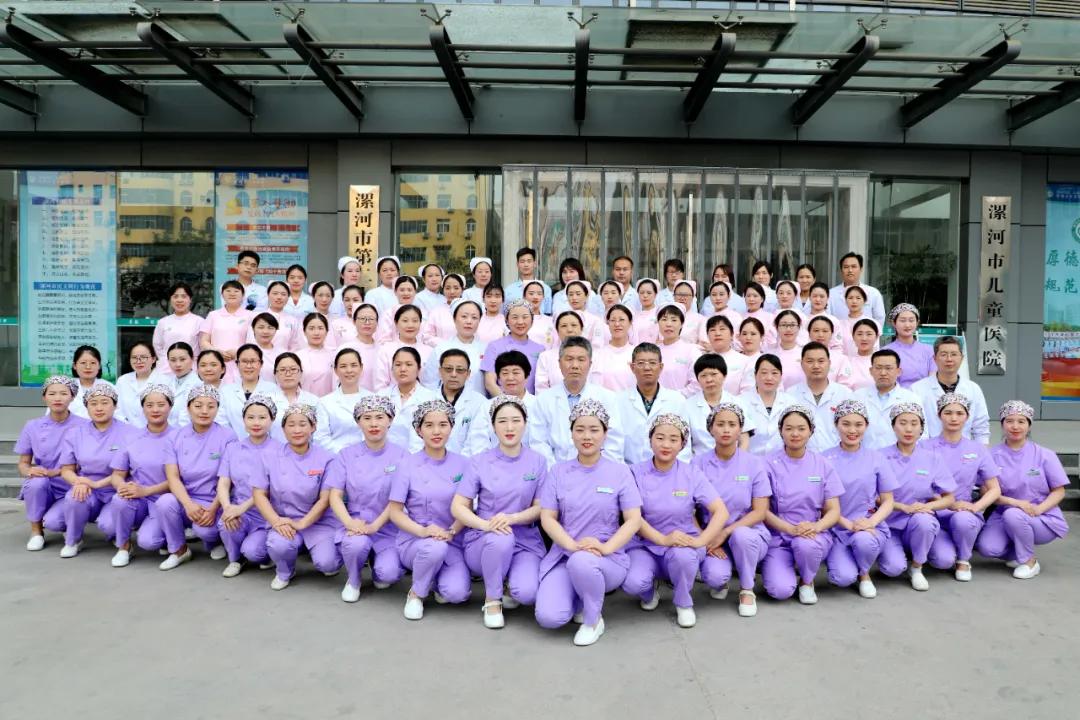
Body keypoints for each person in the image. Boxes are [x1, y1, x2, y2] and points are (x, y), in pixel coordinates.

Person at [534, 399, 642, 646]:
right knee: (549, 617)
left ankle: (593, 621)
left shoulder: (620, 472)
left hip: (607, 559)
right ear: (571, 433)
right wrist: (571, 545)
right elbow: (547, 517)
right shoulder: (558, 472)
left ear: (605, 434)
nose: (587, 436)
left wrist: (605, 547)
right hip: (565, 554)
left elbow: (633, 519)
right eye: (580, 429)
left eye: (594, 430)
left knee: (583, 562)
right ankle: (581, 597)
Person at [623, 414, 728, 629]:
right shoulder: (634, 473)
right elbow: (633, 518)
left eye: (673, 439)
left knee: (682, 557)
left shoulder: (691, 473)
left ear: (682, 444)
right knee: (633, 583)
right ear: (650, 440)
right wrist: (662, 539)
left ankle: (683, 602)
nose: (666, 444)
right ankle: (649, 591)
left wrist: (701, 541)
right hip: (645, 545)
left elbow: (720, 511)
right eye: (660, 437)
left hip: (683, 543)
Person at [453, 395, 547, 629]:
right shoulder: (479, 462)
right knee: (500, 538)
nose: (509, 427)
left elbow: (541, 507)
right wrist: (486, 525)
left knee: (527, 593)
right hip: (485, 539)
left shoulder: (538, 461)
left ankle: (507, 584)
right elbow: (458, 506)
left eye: (516, 420)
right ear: (493, 426)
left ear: (525, 423)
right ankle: (492, 599)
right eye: (502, 421)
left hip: (524, 540)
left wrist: (513, 518)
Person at [389, 400, 472, 619]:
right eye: (429, 425)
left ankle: (431, 577)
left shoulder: (463, 464)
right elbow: (395, 511)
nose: (436, 431)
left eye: (443, 424)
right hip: (416, 540)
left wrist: (451, 531)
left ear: (451, 427)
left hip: (452, 539)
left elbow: (467, 507)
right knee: (434, 549)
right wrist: (423, 531)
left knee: (456, 593)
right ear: (419, 430)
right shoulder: (407, 464)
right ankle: (416, 593)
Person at [138, 384, 234, 570]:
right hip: (185, 498)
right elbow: (173, 477)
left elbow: (228, 479)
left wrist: (213, 509)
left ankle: (214, 542)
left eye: (210, 406)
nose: (204, 411)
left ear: (217, 409)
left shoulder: (227, 436)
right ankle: (179, 549)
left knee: (205, 531)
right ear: (188, 408)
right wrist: (188, 505)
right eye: (198, 406)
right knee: (163, 507)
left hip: (214, 500)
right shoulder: (175, 437)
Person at [326, 395, 408, 603]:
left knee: (387, 575)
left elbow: (397, 500)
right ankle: (353, 580)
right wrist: (349, 523)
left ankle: (376, 561)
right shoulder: (346, 455)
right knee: (355, 545)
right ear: (358, 422)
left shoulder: (402, 456)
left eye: (380, 417)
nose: (373, 424)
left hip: (388, 526)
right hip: (355, 522)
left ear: (390, 420)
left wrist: (375, 526)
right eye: (367, 418)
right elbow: (335, 495)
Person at [250, 403, 341, 590]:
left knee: (328, 564)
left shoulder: (327, 458)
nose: (297, 430)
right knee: (277, 545)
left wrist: (302, 524)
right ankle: (285, 571)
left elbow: (325, 499)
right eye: (291, 425)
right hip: (284, 519)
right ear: (283, 429)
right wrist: (276, 521)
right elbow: (259, 494)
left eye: (303, 424)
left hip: (318, 522)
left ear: (313, 427)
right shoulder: (268, 457)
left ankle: (317, 551)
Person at [976, 401, 1071, 580]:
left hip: (1041, 516)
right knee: (988, 548)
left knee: (1014, 515)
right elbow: (985, 491)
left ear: (1029, 425)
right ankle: (1018, 553)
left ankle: (1029, 562)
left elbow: (1059, 491)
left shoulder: (1044, 455)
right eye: (1009, 421)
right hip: (1004, 512)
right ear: (1002, 425)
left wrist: (1039, 509)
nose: (1015, 426)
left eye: (1021, 421)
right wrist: (1015, 503)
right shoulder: (991, 455)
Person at [692, 402, 771, 617]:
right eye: (720, 424)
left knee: (741, 536)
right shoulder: (697, 464)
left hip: (749, 534)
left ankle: (747, 589)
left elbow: (760, 511)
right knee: (714, 578)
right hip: (712, 536)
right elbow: (688, 511)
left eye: (732, 424)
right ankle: (723, 578)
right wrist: (705, 538)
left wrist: (726, 532)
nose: (726, 430)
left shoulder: (754, 464)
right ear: (711, 429)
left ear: (740, 429)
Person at [762, 405, 843, 604]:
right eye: (789, 428)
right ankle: (785, 568)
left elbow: (834, 510)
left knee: (805, 545)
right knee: (780, 591)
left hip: (813, 535)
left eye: (801, 428)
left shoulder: (822, 464)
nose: (795, 434)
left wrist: (816, 527)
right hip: (779, 536)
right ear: (780, 430)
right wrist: (789, 529)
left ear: (811, 431)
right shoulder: (766, 464)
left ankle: (807, 581)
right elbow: (761, 510)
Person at [822, 400, 898, 599]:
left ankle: (864, 574)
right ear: (836, 425)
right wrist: (847, 524)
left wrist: (870, 523)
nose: (852, 430)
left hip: (868, 526)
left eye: (858, 424)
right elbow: (822, 504)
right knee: (842, 578)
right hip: (837, 527)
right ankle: (850, 563)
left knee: (874, 549)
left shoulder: (876, 458)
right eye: (846, 424)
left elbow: (888, 500)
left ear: (866, 426)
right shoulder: (824, 460)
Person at [924, 393, 1001, 582]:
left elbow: (994, 489)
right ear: (939, 415)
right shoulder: (925, 447)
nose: (954, 418)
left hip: (964, 512)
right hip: (934, 510)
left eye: (959, 413)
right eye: (948, 413)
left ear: (967, 416)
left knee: (963, 520)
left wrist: (975, 507)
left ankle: (963, 559)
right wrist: (948, 504)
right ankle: (942, 548)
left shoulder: (977, 449)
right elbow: (919, 485)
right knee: (942, 561)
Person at [879, 403, 956, 591]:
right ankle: (902, 552)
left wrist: (928, 507)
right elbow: (873, 497)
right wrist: (902, 507)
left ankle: (917, 567)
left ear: (922, 428)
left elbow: (949, 498)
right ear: (893, 426)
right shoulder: (880, 457)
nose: (908, 429)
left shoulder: (932, 458)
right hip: (890, 523)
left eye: (914, 423)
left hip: (921, 521)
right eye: (902, 423)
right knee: (893, 568)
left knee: (945, 560)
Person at [52, 384, 132, 559]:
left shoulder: (129, 432)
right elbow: (66, 469)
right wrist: (79, 482)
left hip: (116, 489)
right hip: (87, 488)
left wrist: (95, 484)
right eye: (93, 403)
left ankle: (119, 538)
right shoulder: (75, 433)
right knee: (71, 501)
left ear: (115, 405)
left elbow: (127, 471)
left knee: (108, 525)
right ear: (86, 407)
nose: (99, 408)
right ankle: (73, 540)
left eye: (105, 402)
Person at [103, 384, 176, 568]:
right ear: (142, 408)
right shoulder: (131, 437)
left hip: (167, 499)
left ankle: (169, 537)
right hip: (138, 498)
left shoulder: (179, 437)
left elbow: (179, 480)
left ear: (170, 406)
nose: (155, 410)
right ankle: (123, 547)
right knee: (119, 500)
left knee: (149, 542)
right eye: (149, 405)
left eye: (161, 404)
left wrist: (146, 491)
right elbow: (117, 474)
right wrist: (123, 487)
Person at [16, 376, 87, 551]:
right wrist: (30, 471)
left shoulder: (84, 426)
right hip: (45, 483)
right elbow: (23, 463)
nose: (57, 398)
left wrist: (55, 472)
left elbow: (87, 461)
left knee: (54, 522)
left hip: (71, 484)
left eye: (63, 393)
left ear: (72, 397)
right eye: (52, 393)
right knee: (35, 483)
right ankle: (36, 532)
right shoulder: (32, 426)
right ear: (44, 397)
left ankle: (69, 527)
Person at [531, 337, 623, 466]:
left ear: (590, 364)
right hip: (556, 470)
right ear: (559, 363)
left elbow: (614, 443)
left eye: (581, 360)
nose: (575, 365)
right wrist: (556, 471)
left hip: (597, 471)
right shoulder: (543, 400)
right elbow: (539, 443)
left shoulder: (607, 398)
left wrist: (597, 471)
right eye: (569, 359)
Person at [216, 393, 280, 578]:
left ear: (272, 419)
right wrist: (228, 507)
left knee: (253, 552)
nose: (256, 422)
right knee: (225, 522)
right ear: (243, 420)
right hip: (240, 510)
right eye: (250, 417)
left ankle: (265, 554)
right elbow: (224, 482)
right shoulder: (233, 448)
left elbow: (268, 490)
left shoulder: (280, 450)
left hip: (267, 514)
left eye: (262, 417)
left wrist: (240, 508)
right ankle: (235, 559)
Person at [911, 336, 990, 443]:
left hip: (964, 450)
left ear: (962, 358)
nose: (949, 359)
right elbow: (914, 426)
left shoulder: (973, 389)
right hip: (929, 449)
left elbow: (981, 427)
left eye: (954, 354)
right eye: (944, 354)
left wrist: (981, 451)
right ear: (934, 358)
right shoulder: (917, 389)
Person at [618, 343, 688, 465]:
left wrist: (676, 472)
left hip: (667, 471)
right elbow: (614, 444)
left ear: (661, 367)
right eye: (641, 363)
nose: (647, 368)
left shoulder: (677, 400)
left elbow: (684, 446)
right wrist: (623, 472)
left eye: (652, 363)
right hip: (628, 470)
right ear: (632, 367)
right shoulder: (618, 401)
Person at [464, 351, 537, 456]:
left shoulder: (538, 405)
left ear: (526, 375)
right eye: (505, 373)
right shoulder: (487, 406)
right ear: (498, 378)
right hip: (492, 463)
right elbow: (477, 440)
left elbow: (541, 443)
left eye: (516, 373)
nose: (510, 378)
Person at [681, 354, 753, 457]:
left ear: (724, 375)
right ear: (697, 379)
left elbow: (744, 437)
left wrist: (738, 460)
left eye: (714, 374)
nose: (709, 379)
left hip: (732, 460)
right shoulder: (688, 406)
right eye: (703, 375)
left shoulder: (737, 402)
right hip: (700, 463)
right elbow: (685, 442)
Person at [787, 342, 853, 452]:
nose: (816, 366)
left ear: (829, 363)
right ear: (802, 364)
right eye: (810, 361)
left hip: (838, 456)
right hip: (802, 457)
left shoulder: (845, 394)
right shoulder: (790, 395)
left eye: (821, 361)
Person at [853, 349, 921, 450]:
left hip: (899, 455)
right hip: (865, 455)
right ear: (871, 371)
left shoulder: (911, 398)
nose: (883, 373)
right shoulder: (857, 397)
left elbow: (921, 434)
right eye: (878, 368)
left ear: (899, 371)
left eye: (888, 368)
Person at [421, 299, 484, 396]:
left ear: (479, 321)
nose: (469, 321)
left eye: (474, 317)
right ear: (454, 319)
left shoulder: (486, 349)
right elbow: (429, 384)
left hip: (480, 403)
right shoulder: (441, 349)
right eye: (464, 316)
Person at [481, 299, 544, 396]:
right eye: (515, 317)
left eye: (525, 317)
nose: (520, 322)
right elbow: (490, 383)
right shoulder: (494, 347)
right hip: (502, 402)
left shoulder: (540, 349)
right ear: (507, 320)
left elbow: (542, 384)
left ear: (532, 320)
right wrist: (508, 402)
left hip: (531, 403)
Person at [432, 348, 487, 455]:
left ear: (468, 374)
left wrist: (459, 463)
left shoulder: (480, 403)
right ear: (440, 371)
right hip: (431, 462)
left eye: (460, 370)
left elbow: (478, 443)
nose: (453, 374)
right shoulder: (426, 400)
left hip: (467, 462)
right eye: (448, 369)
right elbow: (418, 440)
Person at [314, 348, 369, 453]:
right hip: (337, 457)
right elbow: (320, 438)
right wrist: (345, 453)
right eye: (343, 366)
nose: (349, 370)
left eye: (354, 365)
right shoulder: (325, 402)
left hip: (368, 455)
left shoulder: (372, 398)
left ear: (361, 367)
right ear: (335, 370)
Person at [384, 347, 439, 451]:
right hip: (385, 456)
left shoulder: (431, 399)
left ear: (419, 369)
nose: (403, 369)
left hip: (419, 456)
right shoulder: (382, 396)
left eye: (409, 364)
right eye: (398, 365)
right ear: (392, 369)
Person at [199, 280, 253, 383]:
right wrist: (216, 352)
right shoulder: (213, 315)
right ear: (222, 295)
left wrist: (239, 352)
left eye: (236, 291)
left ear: (243, 295)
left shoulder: (250, 316)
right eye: (228, 291)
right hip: (216, 363)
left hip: (241, 363)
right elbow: (204, 341)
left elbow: (254, 342)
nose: (232, 293)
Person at [741, 354, 796, 455]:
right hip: (751, 460)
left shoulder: (791, 403)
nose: (769, 378)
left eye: (774, 373)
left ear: (781, 376)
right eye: (764, 373)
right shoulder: (741, 402)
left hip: (783, 461)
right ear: (755, 375)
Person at [218, 344, 277, 436]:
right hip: (233, 443)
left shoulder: (273, 389)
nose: (249, 366)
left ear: (261, 364)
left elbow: (276, 423)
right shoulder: (226, 391)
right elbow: (221, 422)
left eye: (253, 361)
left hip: (266, 443)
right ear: (237, 364)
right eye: (244, 361)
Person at [374, 305, 432, 390]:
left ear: (420, 323)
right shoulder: (386, 350)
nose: (410, 325)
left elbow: (431, 383)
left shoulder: (429, 351)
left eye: (415, 321)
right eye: (405, 321)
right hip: (391, 396)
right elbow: (380, 384)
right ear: (396, 323)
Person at [152, 282, 204, 376]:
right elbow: (158, 346)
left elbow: (203, 347)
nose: (179, 300)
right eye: (175, 296)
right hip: (166, 370)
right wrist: (169, 362)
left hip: (192, 370)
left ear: (190, 299)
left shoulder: (199, 321)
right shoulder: (163, 322)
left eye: (184, 296)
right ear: (170, 299)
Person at [268, 353, 320, 443]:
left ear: (301, 373)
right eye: (282, 370)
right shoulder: (267, 401)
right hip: (274, 450)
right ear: (275, 374)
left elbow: (319, 434)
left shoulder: (314, 401)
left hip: (307, 450)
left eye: (293, 369)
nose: (288, 374)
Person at [827, 252, 885, 326]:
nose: (850, 270)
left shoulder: (873, 293)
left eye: (854, 266)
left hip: (866, 333)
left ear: (861, 269)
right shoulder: (831, 294)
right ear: (841, 270)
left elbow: (879, 319)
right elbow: (827, 320)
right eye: (846, 267)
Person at [884, 303, 935, 387]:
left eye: (911, 320)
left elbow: (933, 379)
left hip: (923, 394)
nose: (907, 325)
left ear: (917, 323)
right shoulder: (885, 351)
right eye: (902, 320)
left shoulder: (929, 350)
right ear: (894, 323)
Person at [655, 305, 702, 397]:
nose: (668, 324)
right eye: (664, 319)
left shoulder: (692, 351)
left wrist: (673, 397)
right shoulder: (653, 351)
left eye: (674, 320)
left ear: (682, 323)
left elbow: (697, 384)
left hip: (682, 402)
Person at [535, 311, 587, 392]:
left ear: (581, 329)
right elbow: (541, 389)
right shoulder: (546, 357)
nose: (569, 330)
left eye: (574, 325)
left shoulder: (592, 356)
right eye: (564, 326)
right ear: (557, 331)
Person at [590, 305, 636, 392]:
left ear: (630, 323)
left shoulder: (637, 354)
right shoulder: (598, 354)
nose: (617, 324)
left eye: (621, 320)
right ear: (608, 323)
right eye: (612, 320)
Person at [115, 342, 160, 425]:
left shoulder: (164, 380)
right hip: (126, 430)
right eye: (134, 357)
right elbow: (117, 409)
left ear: (153, 359)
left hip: (155, 430)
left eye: (143, 357)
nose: (138, 361)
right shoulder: (122, 380)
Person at [339, 303, 380, 392]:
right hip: (352, 397)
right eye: (362, 319)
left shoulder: (382, 349)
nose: (367, 322)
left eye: (371, 319)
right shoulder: (345, 348)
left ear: (377, 323)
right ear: (354, 321)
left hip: (379, 398)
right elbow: (337, 381)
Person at [67, 346, 116, 420]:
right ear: (74, 366)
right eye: (83, 363)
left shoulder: (109, 387)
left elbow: (118, 414)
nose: (88, 367)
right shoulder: (65, 386)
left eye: (93, 363)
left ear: (99, 366)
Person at [704, 315, 749, 395]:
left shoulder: (745, 361)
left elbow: (747, 392)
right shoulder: (701, 361)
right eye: (712, 330)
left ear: (731, 334)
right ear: (708, 336)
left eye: (722, 329)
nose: (717, 333)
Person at [294, 313, 336, 397]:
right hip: (305, 402)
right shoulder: (297, 357)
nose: (316, 333)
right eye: (311, 328)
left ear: (327, 331)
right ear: (304, 332)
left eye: (320, 328)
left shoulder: (334, 355)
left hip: (330, 401)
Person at [162, 343, 201, 426]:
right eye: (173, 360)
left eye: (182, 359)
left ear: (192, 359)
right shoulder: (166, 383)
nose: (178, 364)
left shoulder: (198, 385)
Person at [504, 247, 552, 314]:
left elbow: (548, 313)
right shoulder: (509, 290)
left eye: (529, 261)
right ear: (517, 264)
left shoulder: (545, 289)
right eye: (522, 261)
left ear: (535, 264)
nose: (526, 265)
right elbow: (505, 313)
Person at [839, 286, 879, 356]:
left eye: (858, 298)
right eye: (850, 298)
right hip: (844, 361)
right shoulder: (839, 324)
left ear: (864, 300)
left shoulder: (873, 323)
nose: (854, 301)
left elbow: (875, 349)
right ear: (845, 301)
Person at [771, 310, 807, 388]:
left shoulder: (806, 354)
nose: (788, 329)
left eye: (792, 325)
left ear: (798, 327)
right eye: (784, 325)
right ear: (777, 328)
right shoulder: (769, 354)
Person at [847, 318, 880, 391]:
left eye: (869, 334)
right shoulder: (847, 362)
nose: (864, 338)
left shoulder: (882, 361)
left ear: (877, 336)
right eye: (859, 334)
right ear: (853, 336)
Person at [742, 283, 776, 349]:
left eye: (755, 296)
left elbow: (772, 341)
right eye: (748, 296)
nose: (751, 299)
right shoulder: (740, 317)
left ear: (762, 299)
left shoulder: (770, 317)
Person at [523, 280, 557, 348]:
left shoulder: (551, 321)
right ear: (524, 296)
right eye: (531, 293)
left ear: (543, 297)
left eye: (539, 294)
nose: (535, 297)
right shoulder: (517, 320)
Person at [632, 278, 660, 343]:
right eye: (642, 293)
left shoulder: (660, 314)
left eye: (649, 293)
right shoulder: (634, 315)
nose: (645, 296)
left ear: (655, 294)